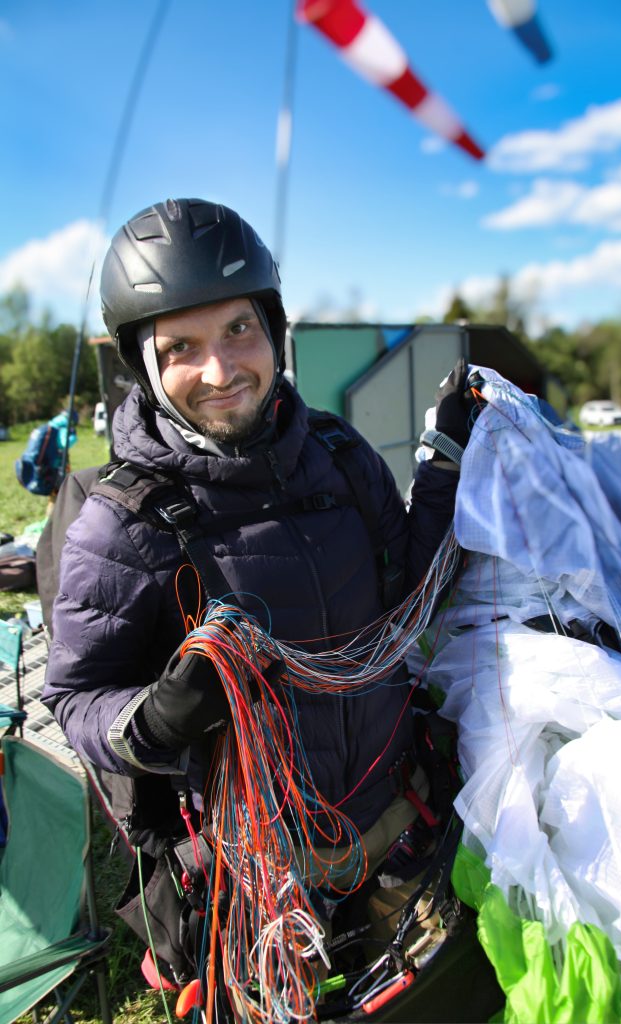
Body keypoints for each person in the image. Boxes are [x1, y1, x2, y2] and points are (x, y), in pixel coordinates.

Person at [41, 198, 475, 988]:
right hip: (257, 877)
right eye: (181, 347)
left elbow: (410, 593)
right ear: (143, 364)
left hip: (386, 817)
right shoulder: (121, 525)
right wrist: (153, 721)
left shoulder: (340, 458)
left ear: (273, 329)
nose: (220, 370)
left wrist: (443, 466)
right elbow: (77, 698)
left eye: (238, 329)